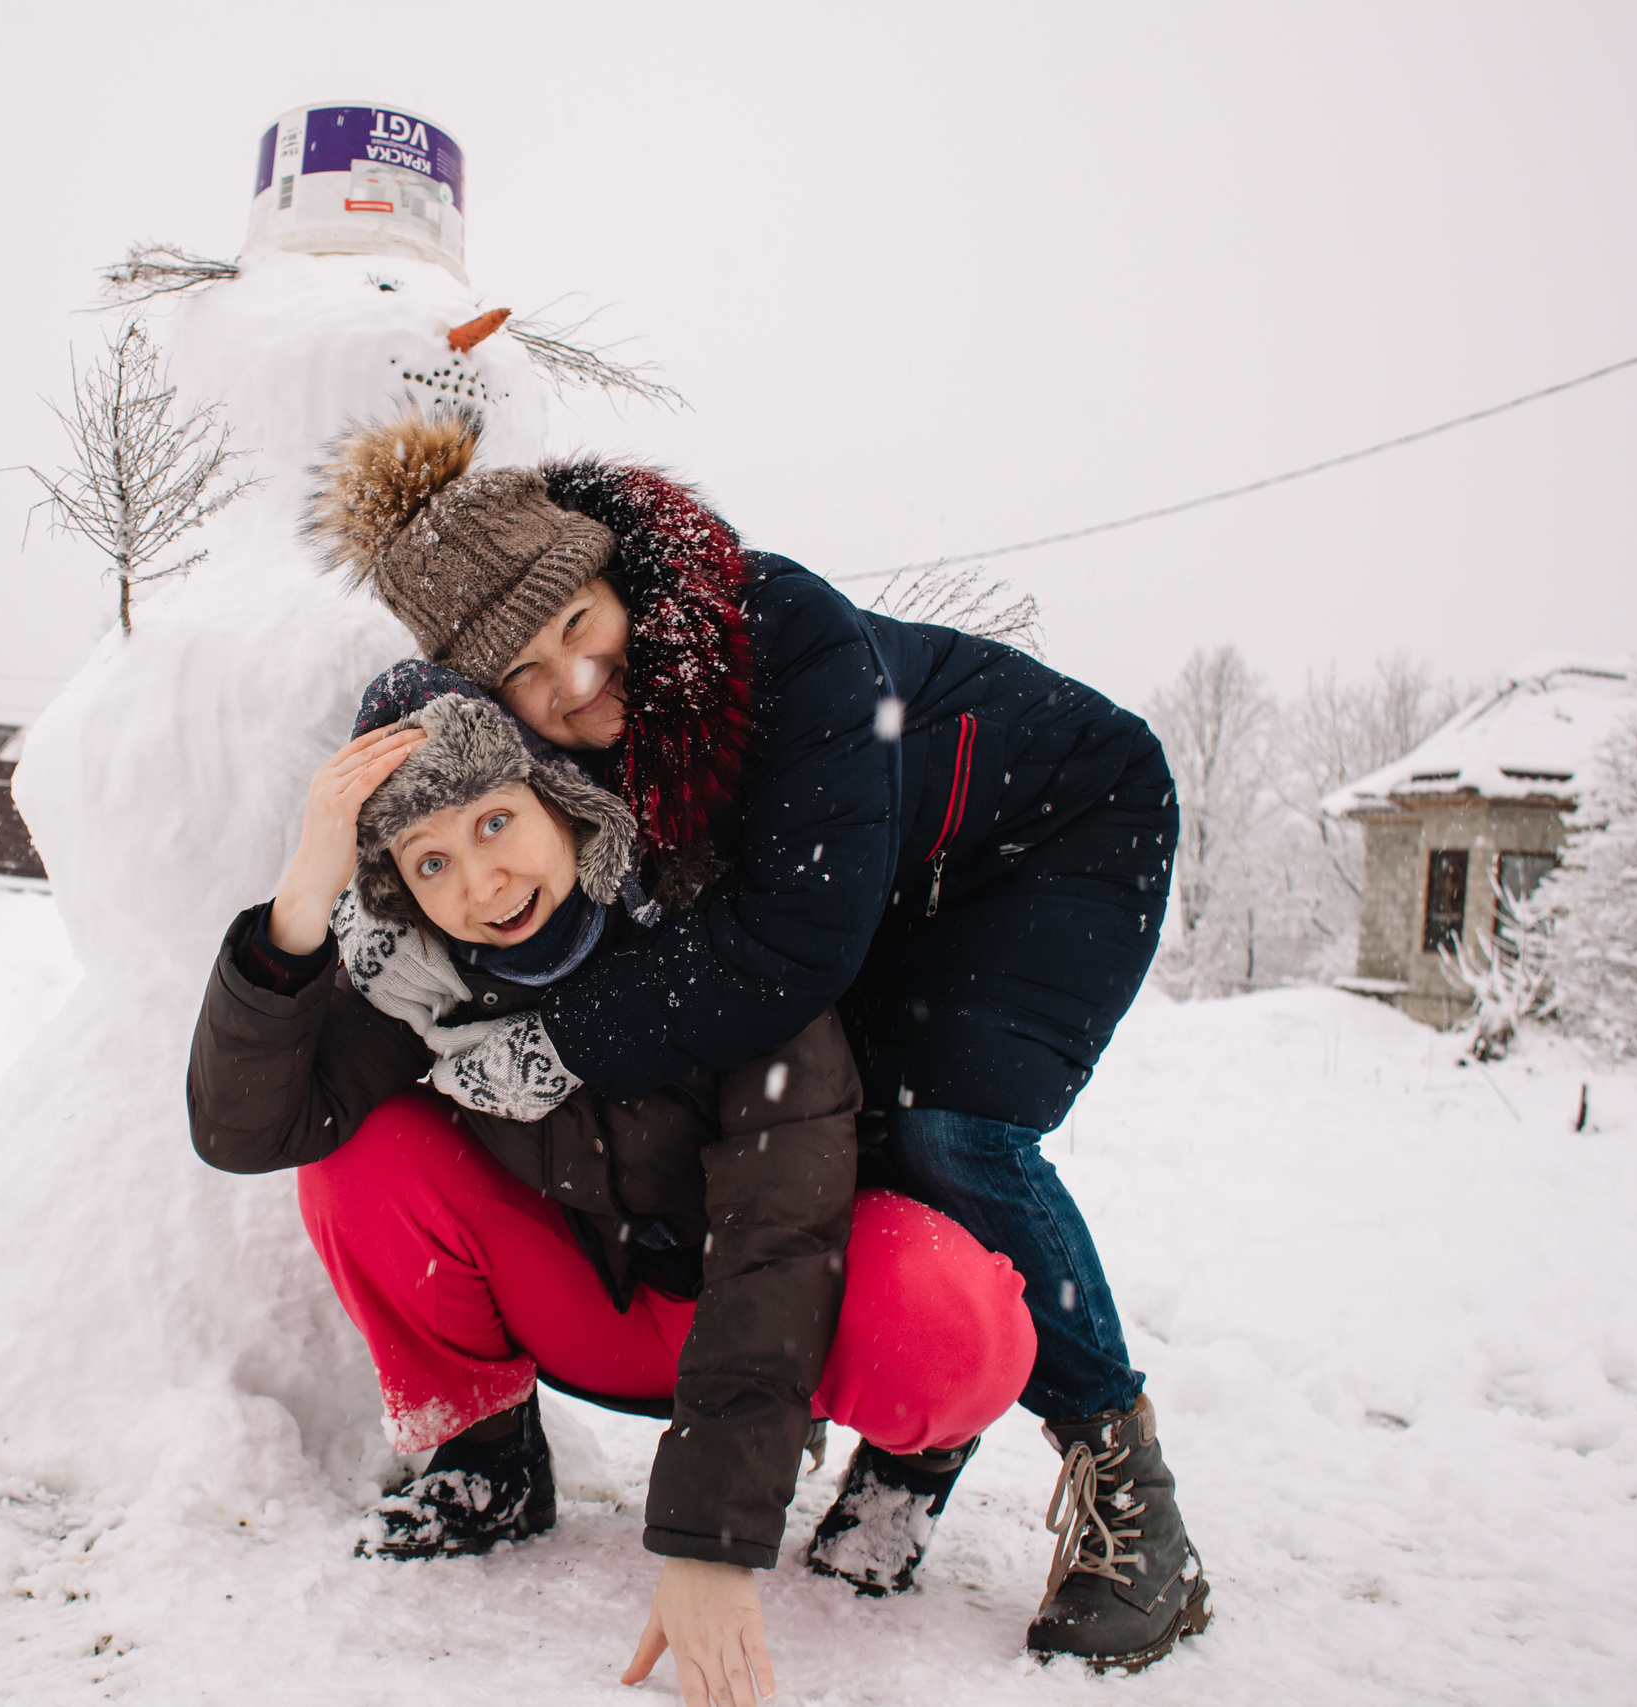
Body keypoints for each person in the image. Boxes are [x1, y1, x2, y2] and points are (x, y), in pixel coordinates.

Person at [305, 411, 1211, 1675]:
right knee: (838, 1117)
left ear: (613, 573)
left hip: (1046, 834)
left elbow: (793, 945)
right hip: (875, 878)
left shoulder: (782, 635)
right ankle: (881, 1441)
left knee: (942, 1131)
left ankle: (1124, 1486)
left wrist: (559, 1041)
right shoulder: (574, 735)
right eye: (522, 672)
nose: (570, 682)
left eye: (578, 626)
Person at [187, 666, 1036, 1707]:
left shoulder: (719, 935)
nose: (481, 884)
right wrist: (300, 900)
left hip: (782, 1310)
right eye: (431, 860)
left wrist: (713, 1543)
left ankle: (905, 1481)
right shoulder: (419, 984)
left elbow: (778, 1236)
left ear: (557, 796)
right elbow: (248, 1129)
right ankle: (487, 1461)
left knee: (961, 1314)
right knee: (358, 1157)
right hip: (602, 1302)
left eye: (496, 821)